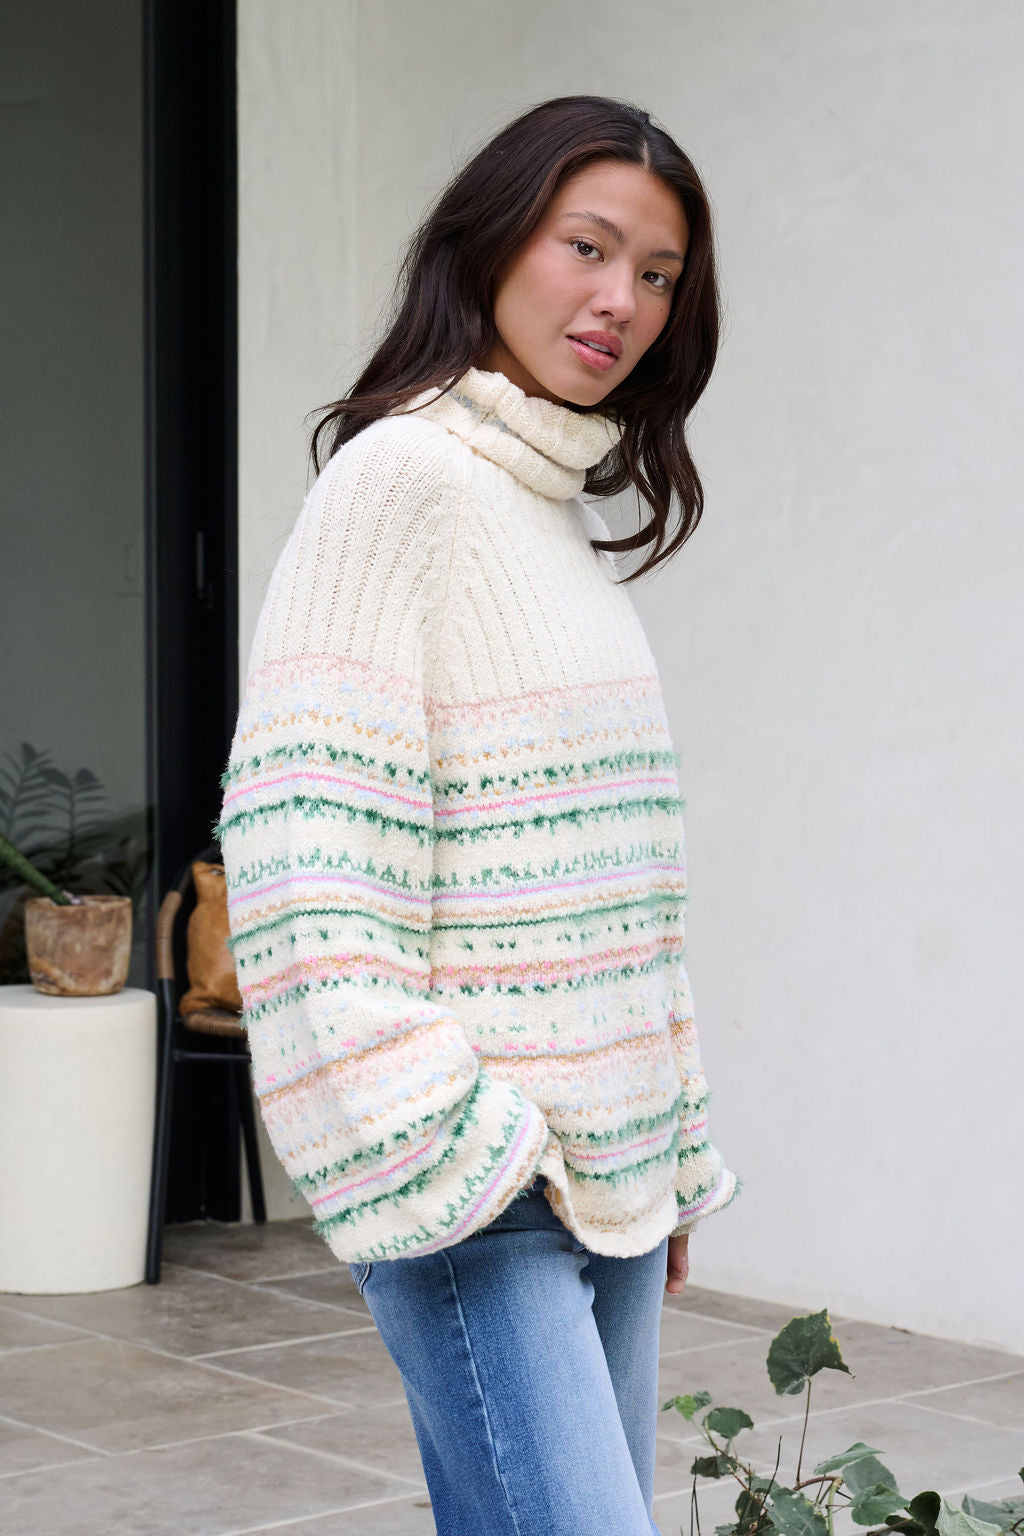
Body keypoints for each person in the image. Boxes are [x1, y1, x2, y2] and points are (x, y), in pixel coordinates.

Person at [216, 93, 739, 1536]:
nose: (620, 299)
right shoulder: (403, 481)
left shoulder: (543, 510)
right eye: (590, 245)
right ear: (495, 237)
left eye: (658, 275)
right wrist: (452, 1142)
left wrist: (665, 1147)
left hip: (602, 1177)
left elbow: (618, 887)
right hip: (483, 1187)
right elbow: (304, 855)